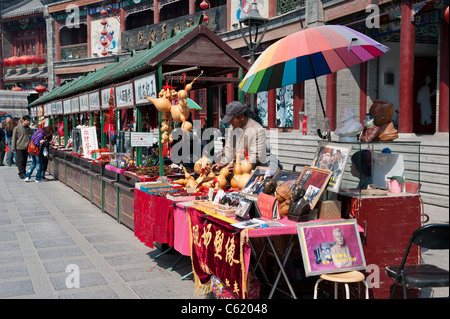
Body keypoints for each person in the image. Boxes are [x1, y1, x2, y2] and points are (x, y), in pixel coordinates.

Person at [212, 101, 268, 171]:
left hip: (254, 170)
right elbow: (229, 147)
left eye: (232, 119)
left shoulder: (257, 129)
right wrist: (223, 162)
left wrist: (238, 165)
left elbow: (255, 156)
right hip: (236, 169)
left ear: (241, 116)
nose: (230, 122)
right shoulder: (232, 127)